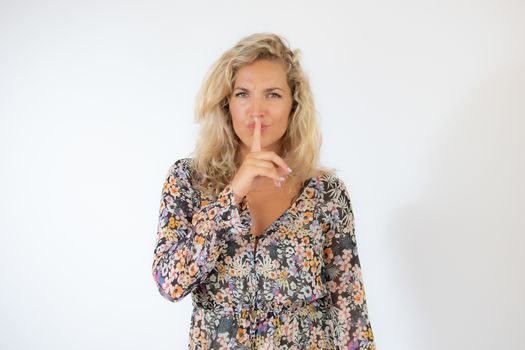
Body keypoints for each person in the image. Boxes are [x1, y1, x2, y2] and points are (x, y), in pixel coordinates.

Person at [151, 32, 375, 349]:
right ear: (226, 103)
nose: (257, 111)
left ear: (294, 104)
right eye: (243, 94)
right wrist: (233, 193)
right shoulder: (189, 180)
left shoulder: (326, 193)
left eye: (272, 95)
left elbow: (349, 309)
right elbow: (169, 282)